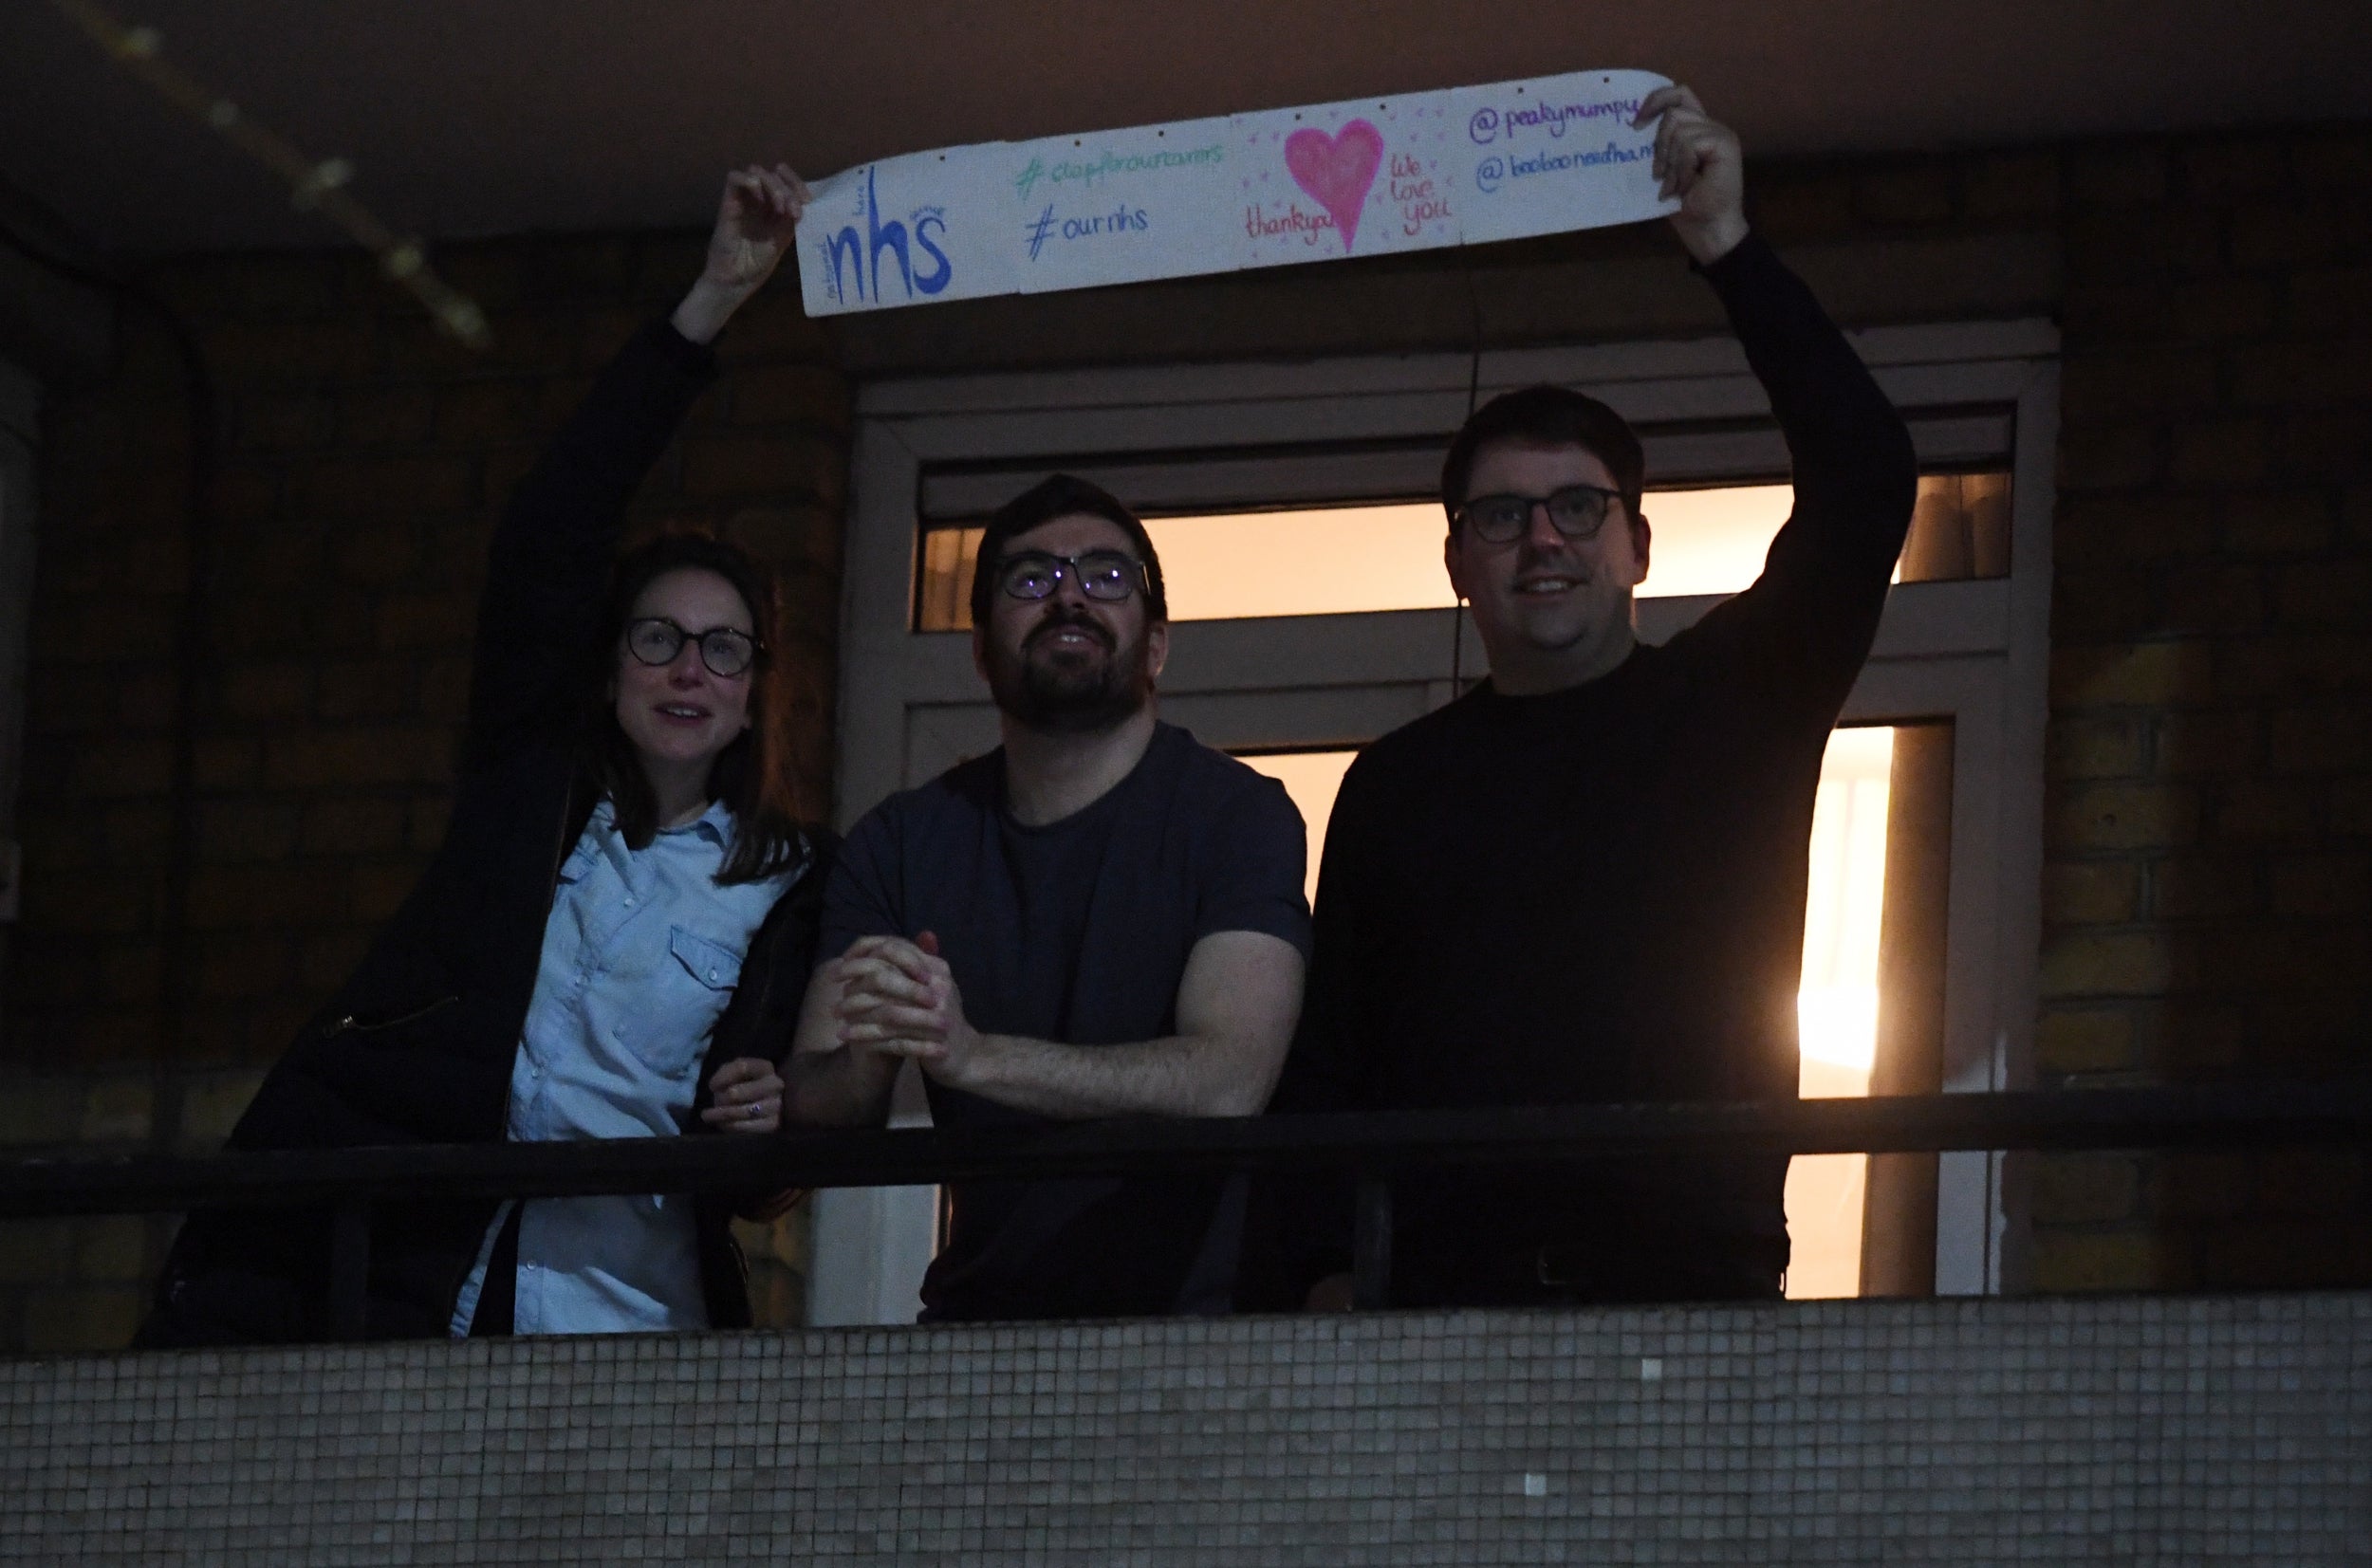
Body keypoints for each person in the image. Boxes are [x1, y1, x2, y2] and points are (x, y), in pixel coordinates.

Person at [140, 164, 832, 1344]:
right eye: (658, 638)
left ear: (757, 688)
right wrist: (714, 296)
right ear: (609, 661)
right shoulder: (531, 787)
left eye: (724, 650)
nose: (688, 672)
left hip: (640, 1322)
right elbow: (551, 522)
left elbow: (767, 1139)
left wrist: (768, 1117)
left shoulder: (792, 878)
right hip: (431, 1301)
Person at [1258, 86, 1918, 1310]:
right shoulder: (1397, 783)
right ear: (1458, 564)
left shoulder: (1737, 704)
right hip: (1433, 1306)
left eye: (1577, 509)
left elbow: (1869, 481)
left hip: (1692, 1289)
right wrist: (1316, 1277)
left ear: (1638, 546)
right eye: (1501, 517)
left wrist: (1726, 247)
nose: (1542, 541)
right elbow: (1332, 1054)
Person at [786, 474, 1311, 1321]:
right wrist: (875, 1048)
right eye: (1029, 579)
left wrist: (972, 1055)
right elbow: (815, 1103)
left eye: (1107, 576)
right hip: (979, 1328)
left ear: (1158, 644)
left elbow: (1227, 1079)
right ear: (982, 649)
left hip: (1205, 1335)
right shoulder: (902, 840)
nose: (1068, 594)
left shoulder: (1238, 814)